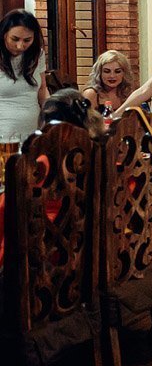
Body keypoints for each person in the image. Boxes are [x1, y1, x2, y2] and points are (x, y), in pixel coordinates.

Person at [0, 89, 105, 264]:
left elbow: (12, 207)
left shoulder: (45, 162)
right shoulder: (100, 152)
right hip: (92, 246)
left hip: (49, 250)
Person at [0, 9, 50, 143]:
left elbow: (42, 89)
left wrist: (50, 113)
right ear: (4, 34)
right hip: (4, 134)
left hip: (32, 132)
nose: (20, 46)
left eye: (27, 40)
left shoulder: (37, 55)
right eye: (15, 39)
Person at [84, 50, 135, 114]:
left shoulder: (128, 92)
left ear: (124, 73)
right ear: (99, 73)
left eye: (117, 71)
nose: (112, 76)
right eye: (107, 71)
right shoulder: (91, 94)